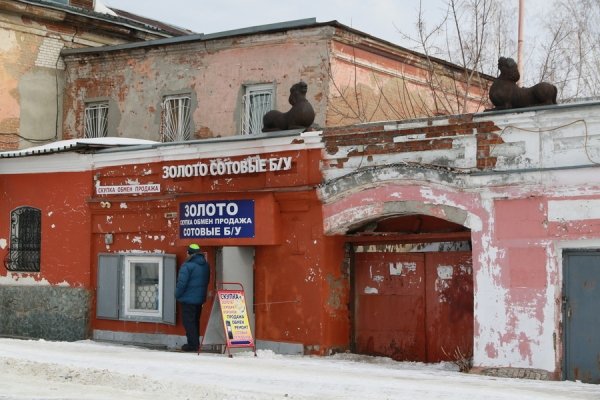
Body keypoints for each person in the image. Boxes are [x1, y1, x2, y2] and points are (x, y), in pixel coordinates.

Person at [175, 243, 210, 352]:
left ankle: (193, 345)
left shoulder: (187, 265)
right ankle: (195, 343)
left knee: (188, 322)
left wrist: (177, 294)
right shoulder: (205, 265)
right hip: (199, 299)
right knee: (195, 321)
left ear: (189, 253)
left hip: (188, 299)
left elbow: (181, 283)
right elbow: (207, 280)